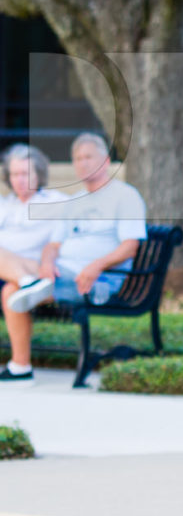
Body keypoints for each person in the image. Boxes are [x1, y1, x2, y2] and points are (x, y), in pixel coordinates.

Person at [0, 133, 146, 384]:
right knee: (12, 288)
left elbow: (129, 247)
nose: (82, 163)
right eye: (77, 158)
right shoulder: (75, 201)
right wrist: (47, 263)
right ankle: (21, 365)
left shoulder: (125, 196)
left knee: (11, 291)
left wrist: (96, 265)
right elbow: (53, 245)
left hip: (96, 280)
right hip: (61, 272)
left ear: (106, 160)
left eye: (89, 157)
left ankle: (21, 366)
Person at [0, 144, 67, 267]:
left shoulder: (54, 201)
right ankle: (26, 281)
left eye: (25, 174)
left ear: (38, 174)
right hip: (5, 269)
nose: (20, 180)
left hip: (34, 265)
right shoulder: (4, 203)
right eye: (14, 174)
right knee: (10, 287)